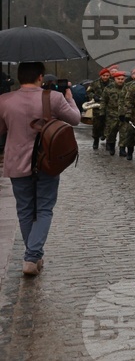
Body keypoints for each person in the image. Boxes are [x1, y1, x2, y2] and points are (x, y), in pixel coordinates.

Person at [0, 61, 82, 276]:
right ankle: (31, 257)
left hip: (16, 162)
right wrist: (70, 100)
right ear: (40, 77)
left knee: (25, 210)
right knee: (44, 209)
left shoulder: (4, 101)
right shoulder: (53, 98)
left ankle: (32, 256)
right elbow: (75, 119)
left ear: (19, 78)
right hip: (47, 161)